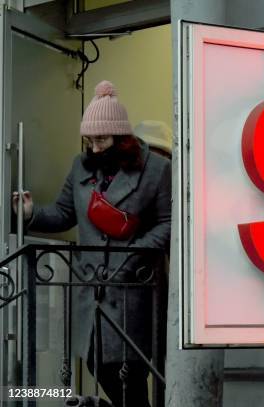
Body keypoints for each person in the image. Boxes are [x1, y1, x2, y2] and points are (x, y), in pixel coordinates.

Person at [12, 80, 171, 407]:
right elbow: (63, 213)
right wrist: (30, 213)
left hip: (133, 292)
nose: (95, 148)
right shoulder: (81, 166)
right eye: (90, 141)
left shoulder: (157, 170)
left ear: (121, 138)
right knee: (99, 365)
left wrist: (134, 252)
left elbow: (170, 224)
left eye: (102, 140)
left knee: (128, 375)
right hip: (90, 293)